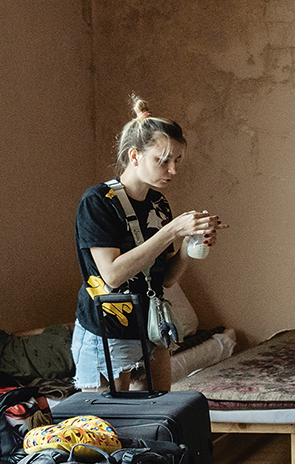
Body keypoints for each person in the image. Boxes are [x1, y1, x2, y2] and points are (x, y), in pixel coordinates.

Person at [72, 96, 222, 392]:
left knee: (156, 417)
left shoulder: (157, 203)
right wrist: (172, 231)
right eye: (162, 160)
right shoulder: (97, 202)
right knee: (113, 429)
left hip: (151, 326)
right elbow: (112, 275)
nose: (172, 170)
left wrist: (191, 246)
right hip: (109, 329)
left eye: (177, 160)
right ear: (135, 156)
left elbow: (165, 278)